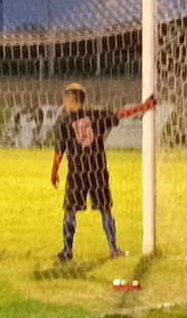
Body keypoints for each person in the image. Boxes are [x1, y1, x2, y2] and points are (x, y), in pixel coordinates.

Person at [50, 83, 157, 262]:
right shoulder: (96, 116)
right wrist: (143, 107)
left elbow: (59, 152)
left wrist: (54, 173)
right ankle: (113, 248)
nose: (64, 104)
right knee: (105, 209)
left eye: (65, 100)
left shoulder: (65, 122)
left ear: (70, 100)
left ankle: (67, 251)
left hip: (78, 173)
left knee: (70, 211)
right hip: (98, 171)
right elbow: (119, 114)